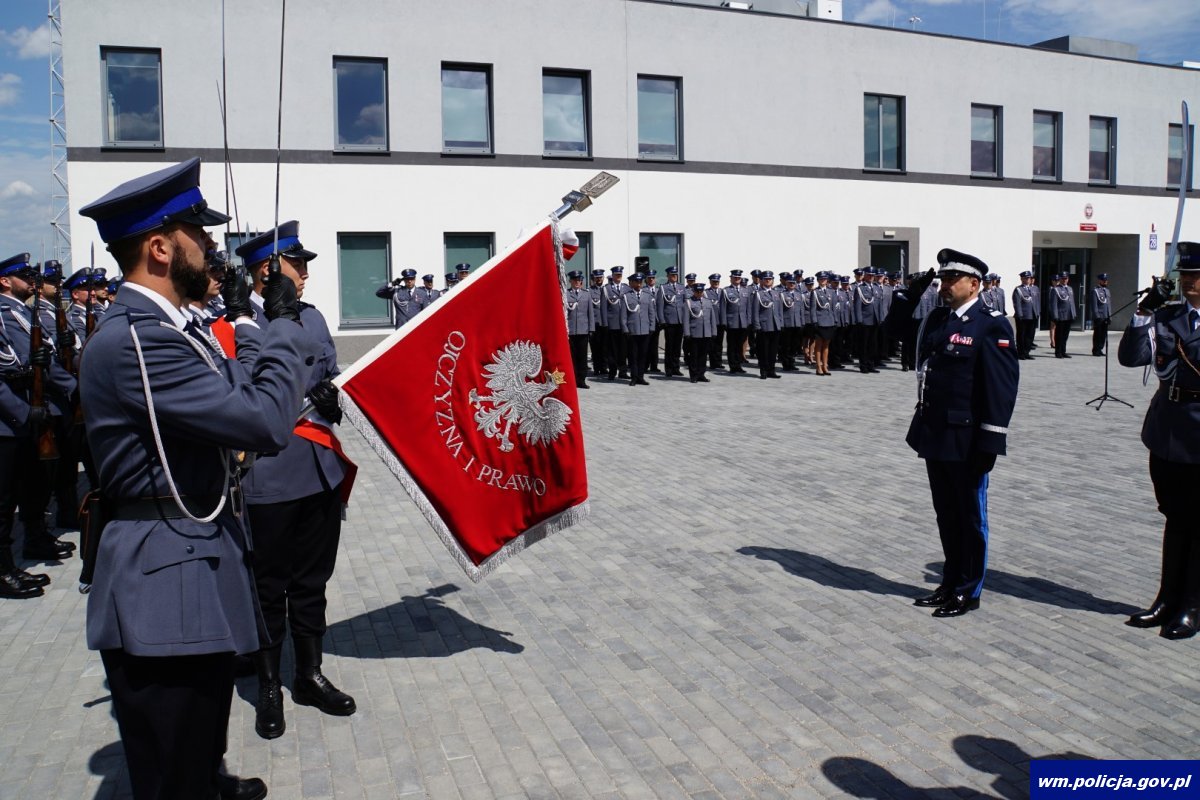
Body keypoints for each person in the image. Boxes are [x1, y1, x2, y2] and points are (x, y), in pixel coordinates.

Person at [77, 157, 308, 800]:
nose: (211, 247)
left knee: (200, 738)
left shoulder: (171, 332)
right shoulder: (139, 340)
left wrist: (250, 329)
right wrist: (281, 328)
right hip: (164, 575)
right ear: (159, 247)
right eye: (198, 236)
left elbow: (235, 395)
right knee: (172, 767)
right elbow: (262, 420)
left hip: (193, 558)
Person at [236, 221, 357, 740]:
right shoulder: (237, 323)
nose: (306, 273)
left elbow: (326, 376)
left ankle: (308, 674)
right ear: (268, 270)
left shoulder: (313, 317)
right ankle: (267, 685)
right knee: (268, 589)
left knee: (312, 581)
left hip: (319, 467)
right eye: (296, 264)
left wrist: (334, 400)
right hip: (267, 475)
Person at [887, 249, 1019, 618]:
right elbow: (895, 332)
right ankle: (949, 581)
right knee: (946, 514)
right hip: (936, 433)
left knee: (970, 518)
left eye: (952, 280)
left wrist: (991, 440)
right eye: (942, 280)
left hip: (968, 440)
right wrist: (906, 297)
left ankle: (967, 589)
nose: (944, 286)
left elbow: (1001, 388)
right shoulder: (936, 319)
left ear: (974, 284)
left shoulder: (991, 324)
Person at [1117, 245, 1200, 639]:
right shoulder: (1168, 317)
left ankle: (1192, 607)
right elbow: (1132, 358)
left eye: (1196, 276)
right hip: (1168, 431)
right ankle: (1166, 600)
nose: (1189, 282)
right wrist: (1143, 313)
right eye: (1185, 275)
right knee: (1176, 517)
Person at [0, 254, 77, 562]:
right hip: (12, 418)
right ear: (5, 281)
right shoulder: (8, 314)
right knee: (6, 498)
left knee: (34, 483)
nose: (32, 279)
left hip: (31, 411)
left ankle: (35, 539)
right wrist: (22, 411)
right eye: (23, 274)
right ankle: (5, 566)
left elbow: (37, 361)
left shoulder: (23, 313)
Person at [620, 272, 656, 386]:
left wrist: (652, 327)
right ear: (633, 283)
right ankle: (634, 378)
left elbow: (651, 313)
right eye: (637, 282)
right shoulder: (626, 296)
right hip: (632, 330)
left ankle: (641, 377)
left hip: (645, 330)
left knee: (643, 355)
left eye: (641, 282)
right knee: (633, 356)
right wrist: (625, 329)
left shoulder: (647, 295)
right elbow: (623, 315)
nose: (639, 284)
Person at [749, 271, 782, 378]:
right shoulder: (758, 294)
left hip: (775, 326)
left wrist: (780, 324)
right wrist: (757, 326)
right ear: (762, 281)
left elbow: (779, 310)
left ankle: (771, 370)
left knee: (773, 351)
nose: (768, 281)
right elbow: (755, 311)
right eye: (766, 279)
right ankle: (763, 371)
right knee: (763, 350)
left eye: (770, 279)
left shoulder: (776, 293)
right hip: (764, 326)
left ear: (773, 281)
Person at [565, 270, 594, 389]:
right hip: (571, 331)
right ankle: (572, 380)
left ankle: (581, 380)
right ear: (570, 281)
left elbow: (590, 313)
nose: (577, 282)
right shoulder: (566, 294)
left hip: (583, 330)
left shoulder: (586, 294)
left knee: (582, 357)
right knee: (572, 357)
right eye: (575, 280)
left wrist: (591, 329)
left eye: (579, 280)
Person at [656, 266, 686, 377]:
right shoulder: (663, 288)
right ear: (668, 276)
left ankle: (676, 368)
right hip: (669, 321)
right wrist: (662, 320)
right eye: (672, 275)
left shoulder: (681, 287)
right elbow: (660, 306)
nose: (674, 277)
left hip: (680, 320)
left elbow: (684, 305)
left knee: (678, 346)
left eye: (676, 275)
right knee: (669, 346)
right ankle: (668, 369)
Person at [1011, 270, 1037, 360]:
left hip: (1032, 315)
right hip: (1023, 316)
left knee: (1030, 335)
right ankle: (1021, 353)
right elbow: (1017, 303)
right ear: (1021, 279)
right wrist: (1019, 315)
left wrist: (1037, 312)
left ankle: (1027, 352)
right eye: (1025, 278)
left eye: (1029, 278)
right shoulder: (1018, 289)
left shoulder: (1034, 289)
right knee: (1021, 335)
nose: (1027, 280)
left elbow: (1037, 302)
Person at [1050, 272, 1076, 358]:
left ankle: (1063, 351)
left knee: (1065, 335)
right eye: (1063, 279)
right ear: (1060, 279)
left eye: (1066, 278)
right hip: (1060, 316)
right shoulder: (1055, 289)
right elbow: (1054, 304)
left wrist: (1073, 313)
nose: (1065, 280)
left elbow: (1072, 303)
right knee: (1059, 335)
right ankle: (1058, 352)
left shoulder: (1070, 288)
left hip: (1068, 315)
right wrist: (1055, 316)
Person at [588, 268, 608, 378]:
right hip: (594, 323)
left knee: (604, 347)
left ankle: (604, 368)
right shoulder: (589, 291)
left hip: (604, 324)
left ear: (603, 278)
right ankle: (596, 368)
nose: (599, 279)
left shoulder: (607, 290)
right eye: (597, 278)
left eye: (600, 277)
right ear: (594, 279)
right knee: (595, 348)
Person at [1090, 273, 1112, 356]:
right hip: (1099, 316)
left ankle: (1100, 349)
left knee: (1103, 334)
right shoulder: (1095, 291)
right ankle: (1095, 350)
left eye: (1106, 280)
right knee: (1098, 334)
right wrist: (1097, 316)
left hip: (1106, 316)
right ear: (1099, 280)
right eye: (1103, 280)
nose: (1105, 281)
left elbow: (1108, 305)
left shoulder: (1107, 291)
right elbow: (1094, 305)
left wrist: (1109, 316)